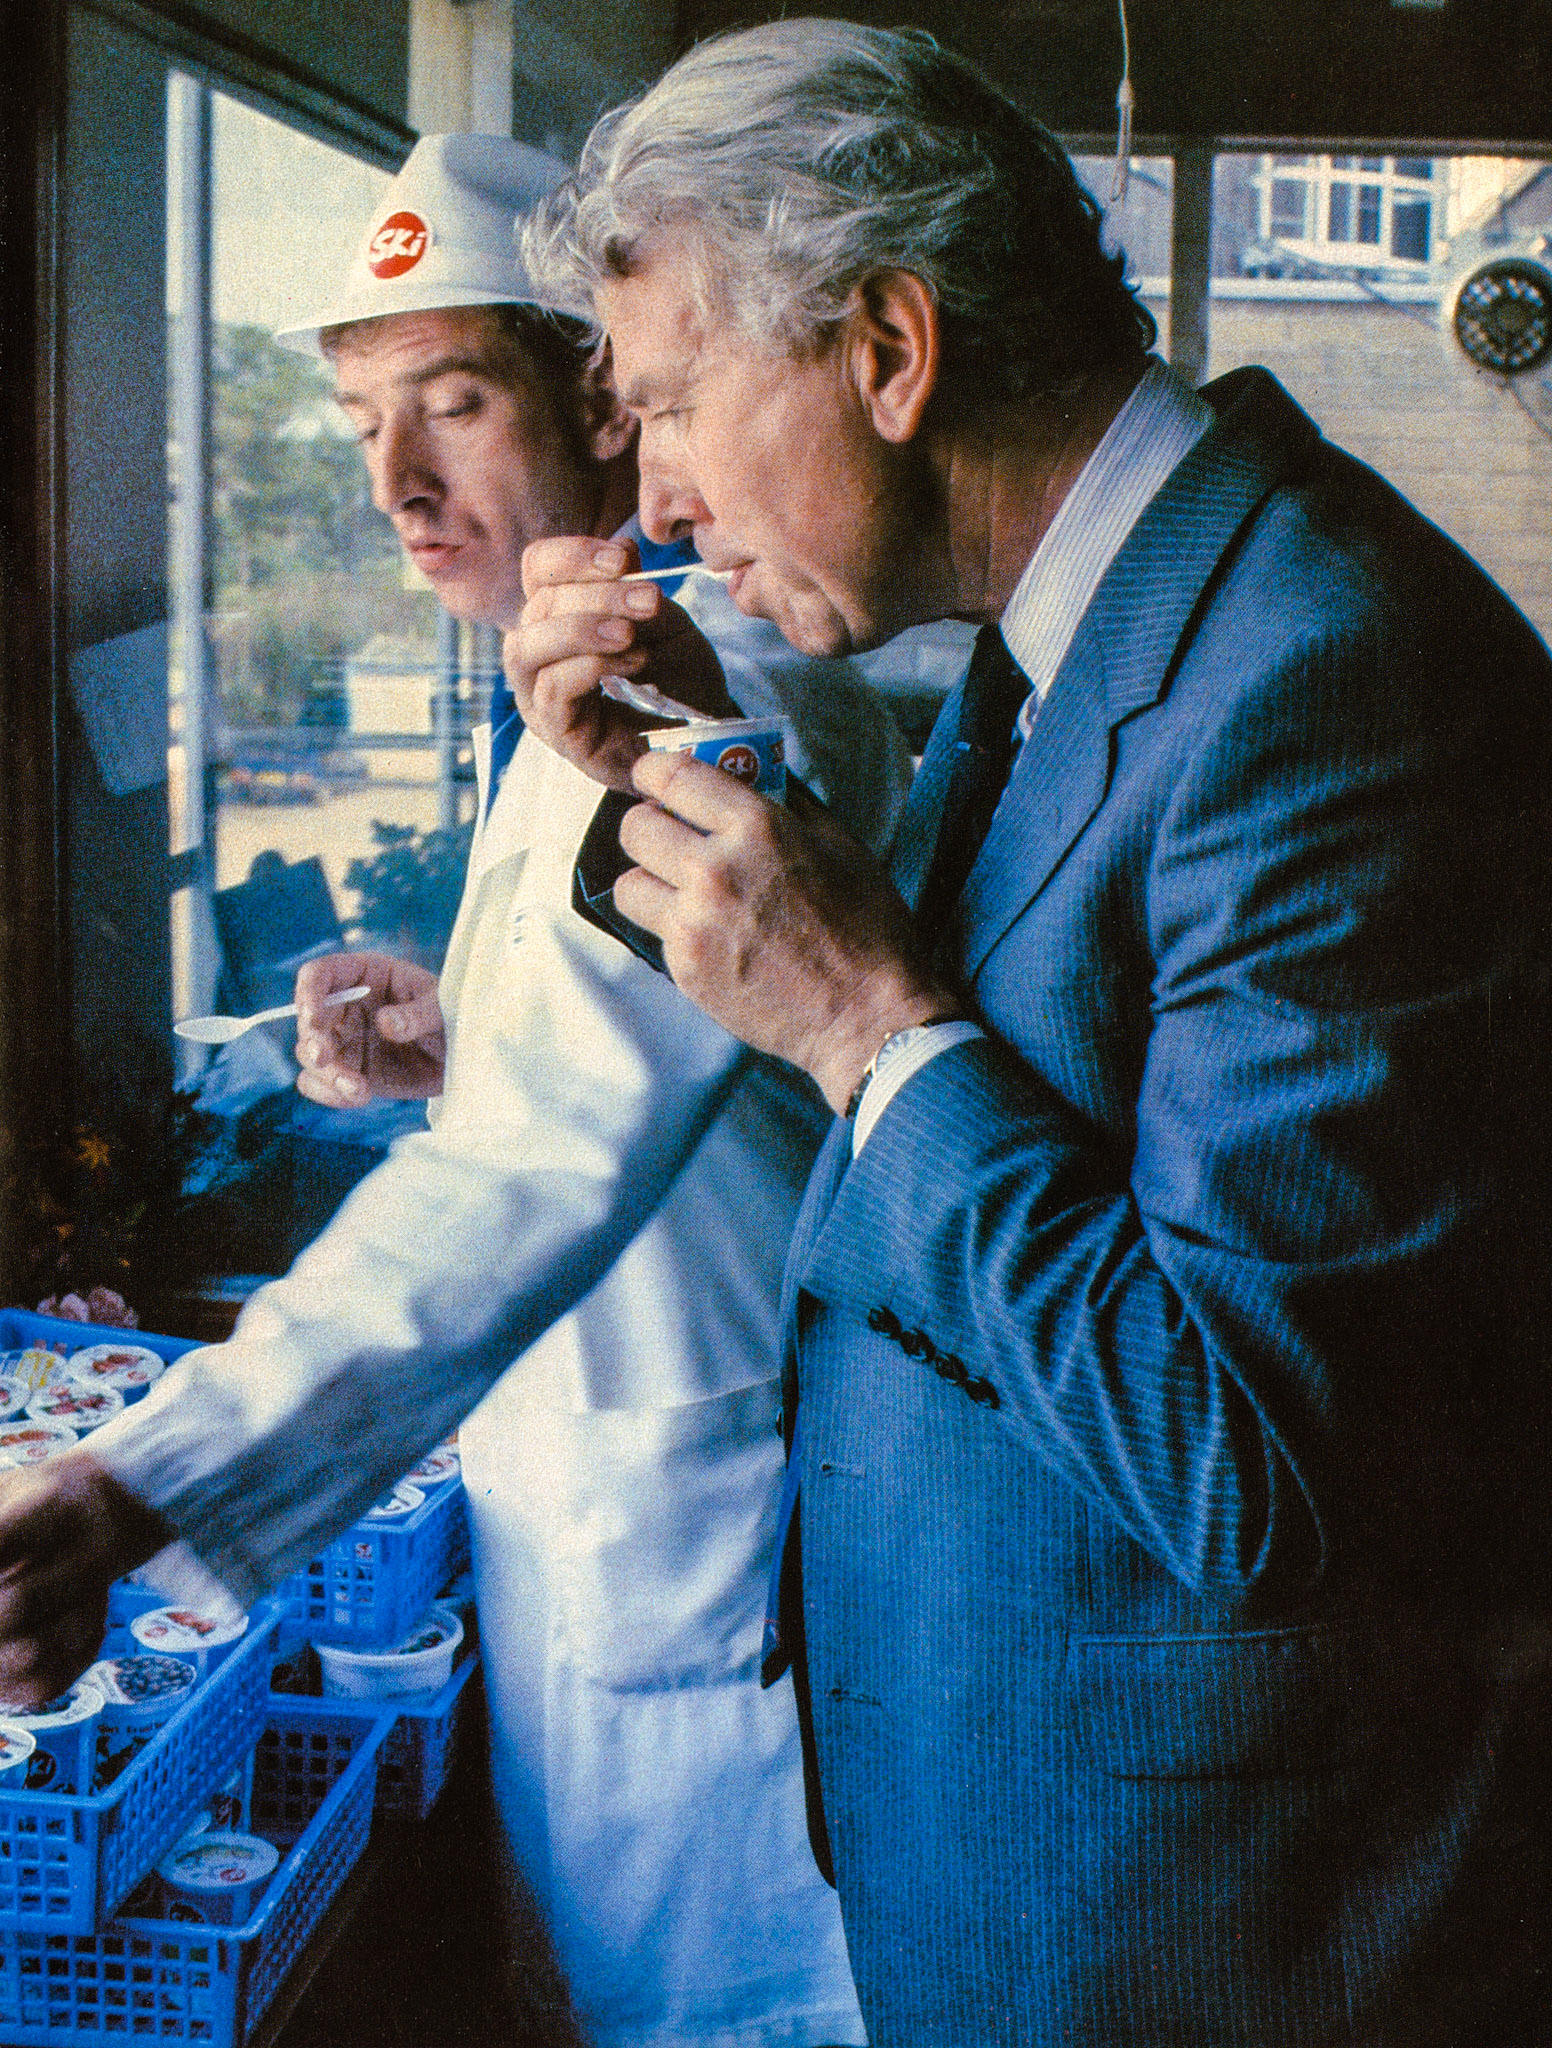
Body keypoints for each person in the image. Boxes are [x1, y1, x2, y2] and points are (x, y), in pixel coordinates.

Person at [499, 23, 1552, 2047]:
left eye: (670, 407)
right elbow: (1014, 1073)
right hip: (1035, 1861)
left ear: (888, 350)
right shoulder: (1091, 635)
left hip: (1205, 1940)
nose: (651, 497)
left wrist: (870, 1033)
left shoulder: (1330, 679)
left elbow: (1260, 1464)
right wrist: (666, 774)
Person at [0, 131, 974, 2048]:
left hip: (702, 1592)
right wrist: (462, 1040)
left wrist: (144, 1480)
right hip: (617, 1533)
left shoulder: (705, 687)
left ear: (612, 410)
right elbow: (671, 1063)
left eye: (453, 403)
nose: (393, 486)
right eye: (363, 418)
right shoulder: (590, 681)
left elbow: (541, 1167)